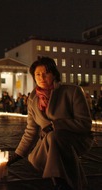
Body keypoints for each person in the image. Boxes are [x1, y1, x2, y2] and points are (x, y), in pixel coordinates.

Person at [7, 57, 93, 190]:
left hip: (76, 139)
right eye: (37, 74)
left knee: (54, 136)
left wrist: (56, 125)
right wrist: (16, 156)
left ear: (54, 74)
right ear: (33, 77)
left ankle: (59, 182)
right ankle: (64, 183)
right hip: (48, 143)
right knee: (53, 138)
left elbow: (84, 123)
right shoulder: (33, 98)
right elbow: (31, 130)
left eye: (45, 73)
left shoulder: (72, 91)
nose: (41, 77)